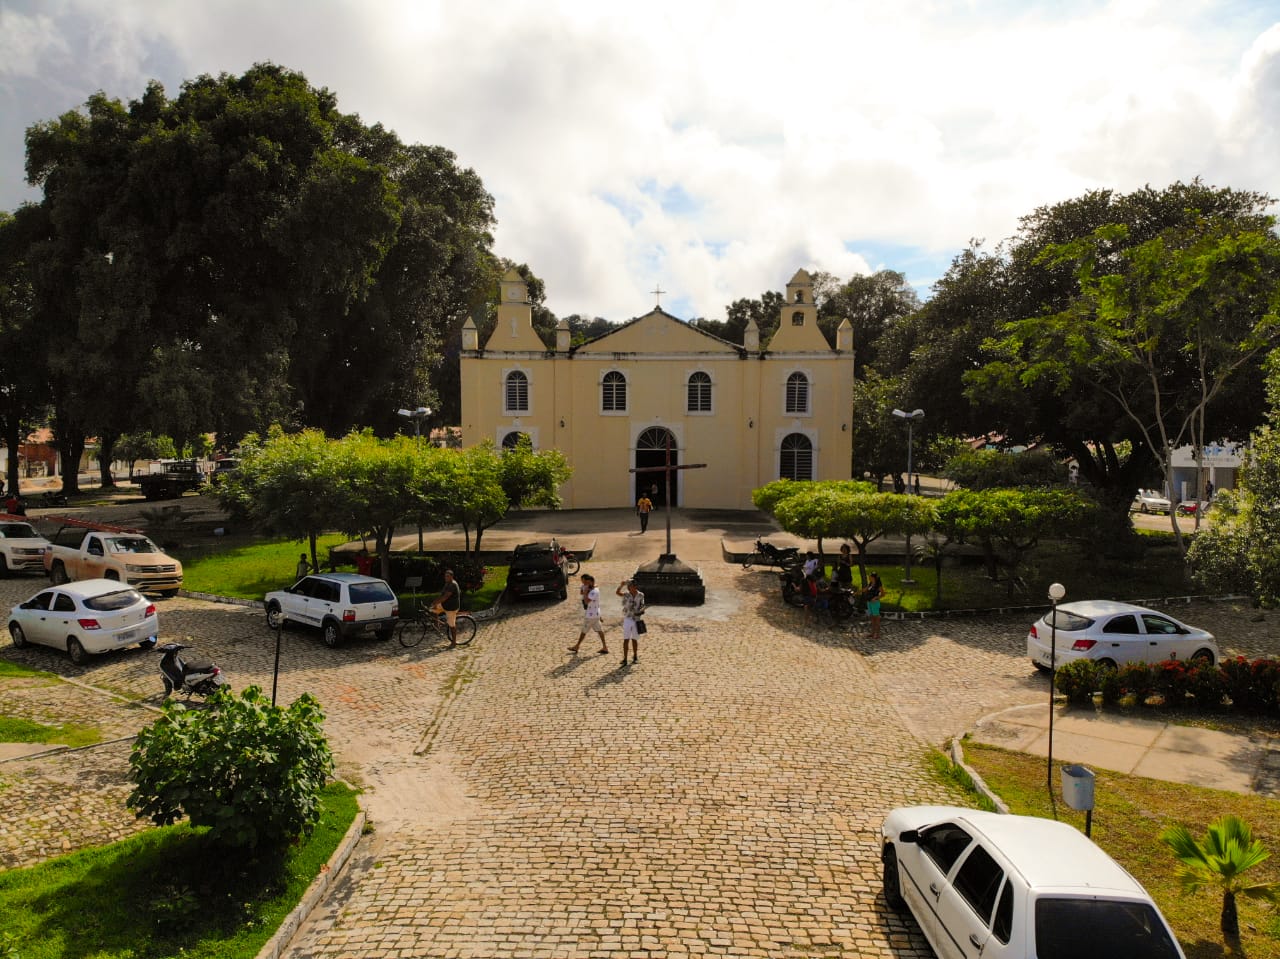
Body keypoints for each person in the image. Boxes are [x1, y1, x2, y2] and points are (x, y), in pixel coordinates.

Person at [568, 573, 608, 655]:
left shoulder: (594, 592)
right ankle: (605, 647)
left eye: (587, 582)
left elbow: (587, 601)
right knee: (600, 630)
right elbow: (582, 593)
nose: (585, 584)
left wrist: (586, 592)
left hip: (591, 615)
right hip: (595, 614)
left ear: (591, 582)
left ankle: (577, 646)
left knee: (584, 631)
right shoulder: (593, 589)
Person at [617, 579, 645, 666]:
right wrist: (621, 585)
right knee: (626, 639)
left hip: (636, 619)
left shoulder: (641, 595)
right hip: (628, 618)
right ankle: (625, 658)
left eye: (631, 586)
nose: (629, 588)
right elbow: (617, 592)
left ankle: (635, 656)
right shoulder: (626, 594)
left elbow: (643, 605)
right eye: (628, 586)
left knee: (634, 639)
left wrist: (640, 611)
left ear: (635, 586)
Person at [434, 569, 462, 647]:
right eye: (445, 576)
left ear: (452, 577)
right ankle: (437, 625)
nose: (446, 577)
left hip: (451, 607)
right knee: (433, 610)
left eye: (448, 576)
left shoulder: (453, 584)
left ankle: (454, 642)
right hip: (445, 605)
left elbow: (445, 597)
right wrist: (435, 602)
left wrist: (436, 602)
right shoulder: (447, 584)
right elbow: (442, 595)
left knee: (452, 625)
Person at [864, 571, 885, 640]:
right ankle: (872, 633)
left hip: (875, 603)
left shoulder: (878, 585)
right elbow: (865, 589)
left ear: (874, 578)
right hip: (869, 602)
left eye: (870, 577)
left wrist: (875, 598)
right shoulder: (870, 584)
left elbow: (883, 594)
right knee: (872, 619)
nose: (869, 578)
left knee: (877, 619)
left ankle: (878, 634)